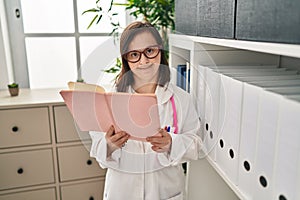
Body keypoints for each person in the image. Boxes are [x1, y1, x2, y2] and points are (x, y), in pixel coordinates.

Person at [89, 21, 202, 200]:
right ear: (125, 59)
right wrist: (109, 146)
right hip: (122, 192)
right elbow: (97, 150)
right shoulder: (109, 102)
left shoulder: (181, 99)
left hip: (165, 192)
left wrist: (171, 143)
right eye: (134, 54)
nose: (144, 61)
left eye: (150, 51)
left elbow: (197, 145)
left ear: (160, 51)